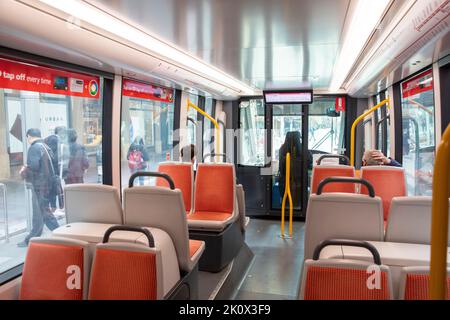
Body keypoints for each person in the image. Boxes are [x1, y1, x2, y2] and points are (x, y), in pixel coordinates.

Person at [17, 128, 59, 247]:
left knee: (44, 213)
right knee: (40, 213)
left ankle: (62, 235)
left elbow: (34, 166)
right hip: (47, 184)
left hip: (40, 185)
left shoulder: (34, 148)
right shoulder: (46, 146)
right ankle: (32, 237)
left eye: (27, 138)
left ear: (29, 136)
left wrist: (24, 169)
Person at [44, 126, 68, 211]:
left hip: (53, 170)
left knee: (55, 188)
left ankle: (56, 207)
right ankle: (55, 207)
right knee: (54, 189)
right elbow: (53, 155)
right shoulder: (54, 140)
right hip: (53, 170)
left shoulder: (52, 139)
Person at [278, 131, 304, 208]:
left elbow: (281, 167)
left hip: (284, 182)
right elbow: (309, 162)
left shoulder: (282, 149)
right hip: (299, 183)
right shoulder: (302, 149)